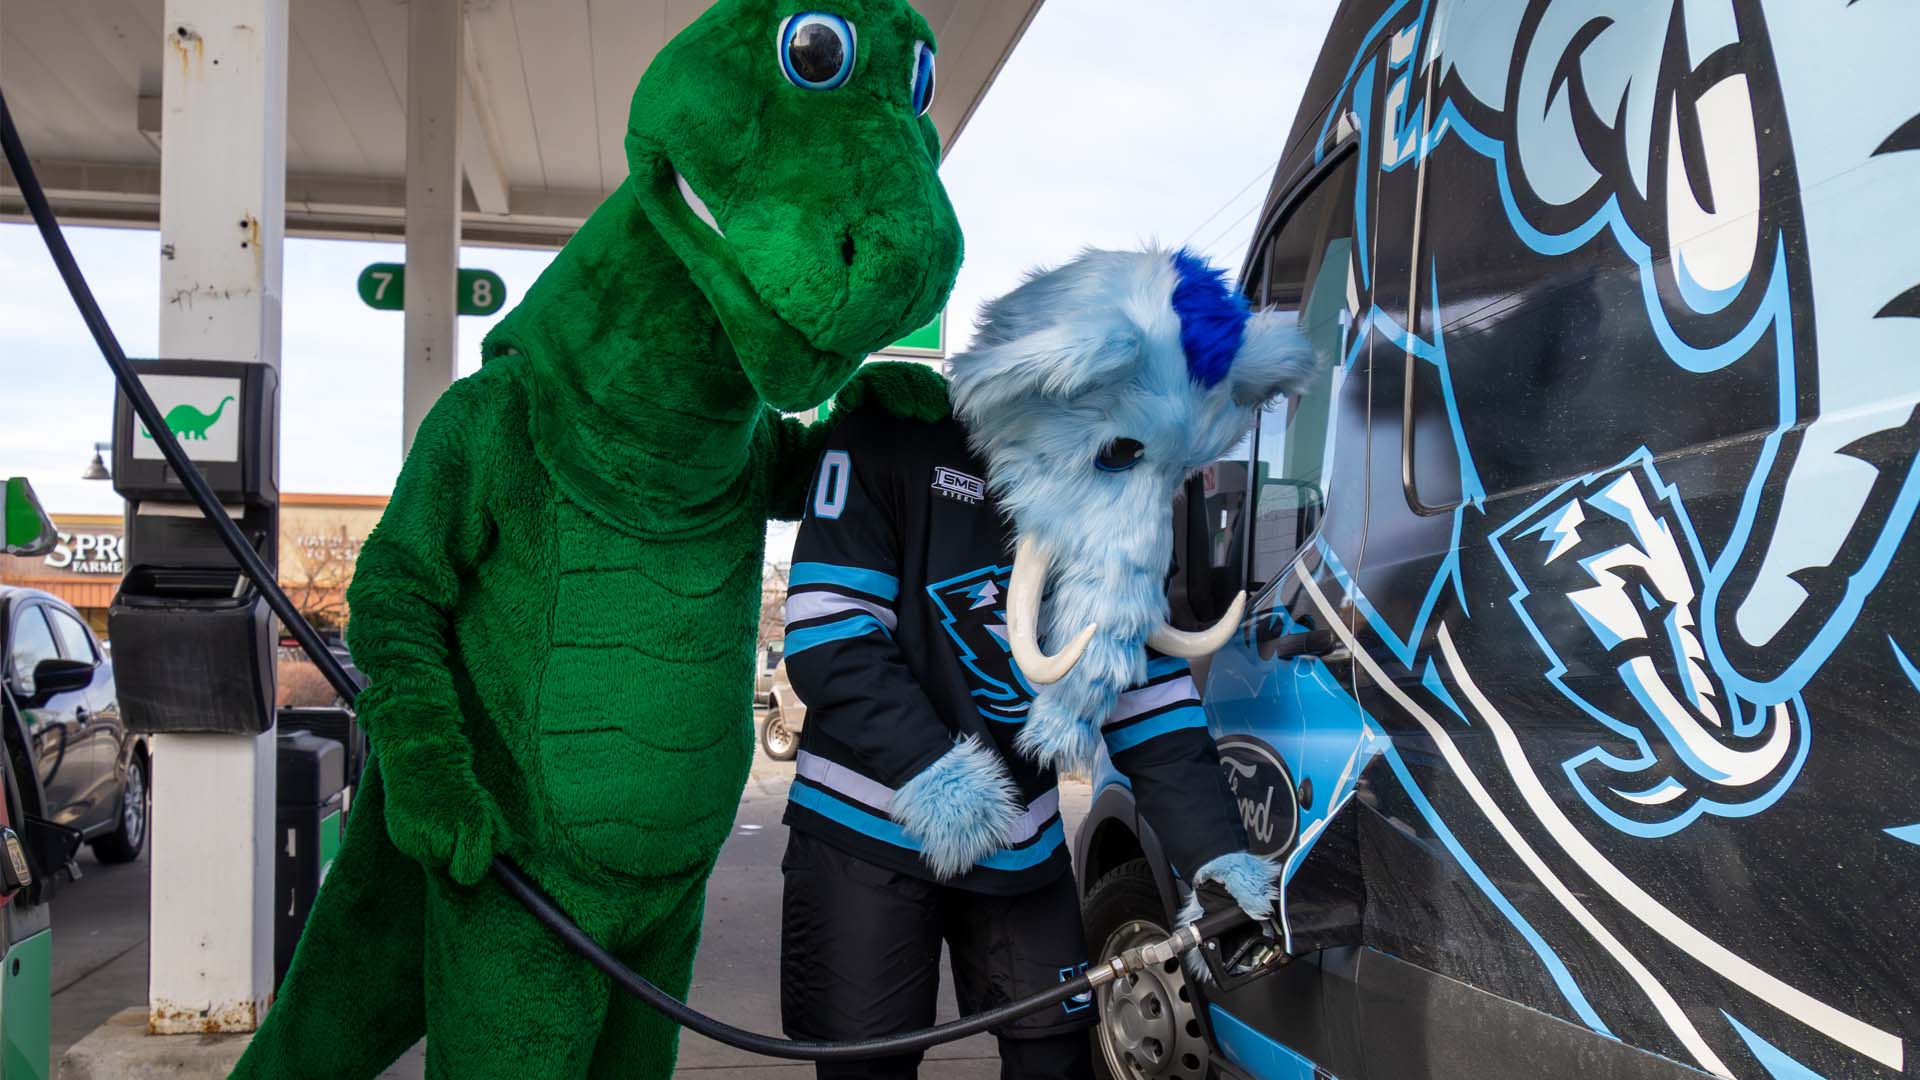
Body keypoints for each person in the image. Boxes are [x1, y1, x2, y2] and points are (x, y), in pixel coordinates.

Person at [777, 404, 1272, 1080]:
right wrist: (932, 771)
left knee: (1056, 1047)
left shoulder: (1128, 494)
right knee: (868, 1060)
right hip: (865, 826)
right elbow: (827, 631)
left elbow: (1150, 705)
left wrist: (1216, 860)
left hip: (1023, 835)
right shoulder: (891, 429)